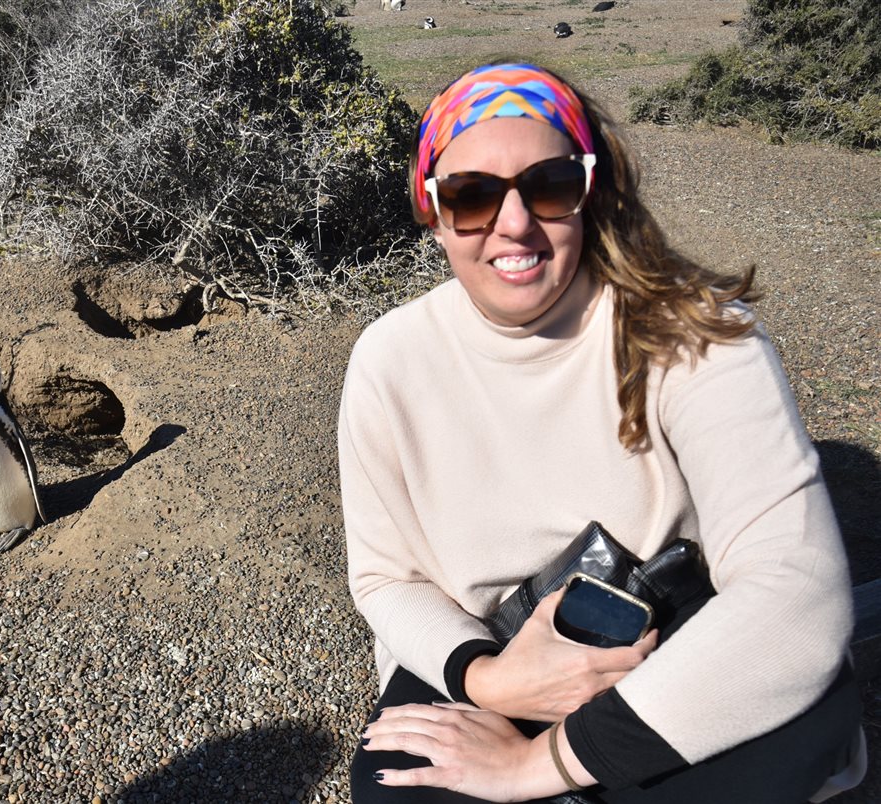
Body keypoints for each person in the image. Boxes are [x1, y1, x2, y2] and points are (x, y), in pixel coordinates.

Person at [338, 62, 863, 803]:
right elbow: (387, 578)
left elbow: (796, 594)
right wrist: (488, 677)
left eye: (548, 186)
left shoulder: (698, 336)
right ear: (431, 208)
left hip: (674, 652)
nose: (513, 223)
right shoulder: (389, 361)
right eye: (472, 195)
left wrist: (539, 763)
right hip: (495, 654)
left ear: (591, 190)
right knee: (398, 787)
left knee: (788, 720)